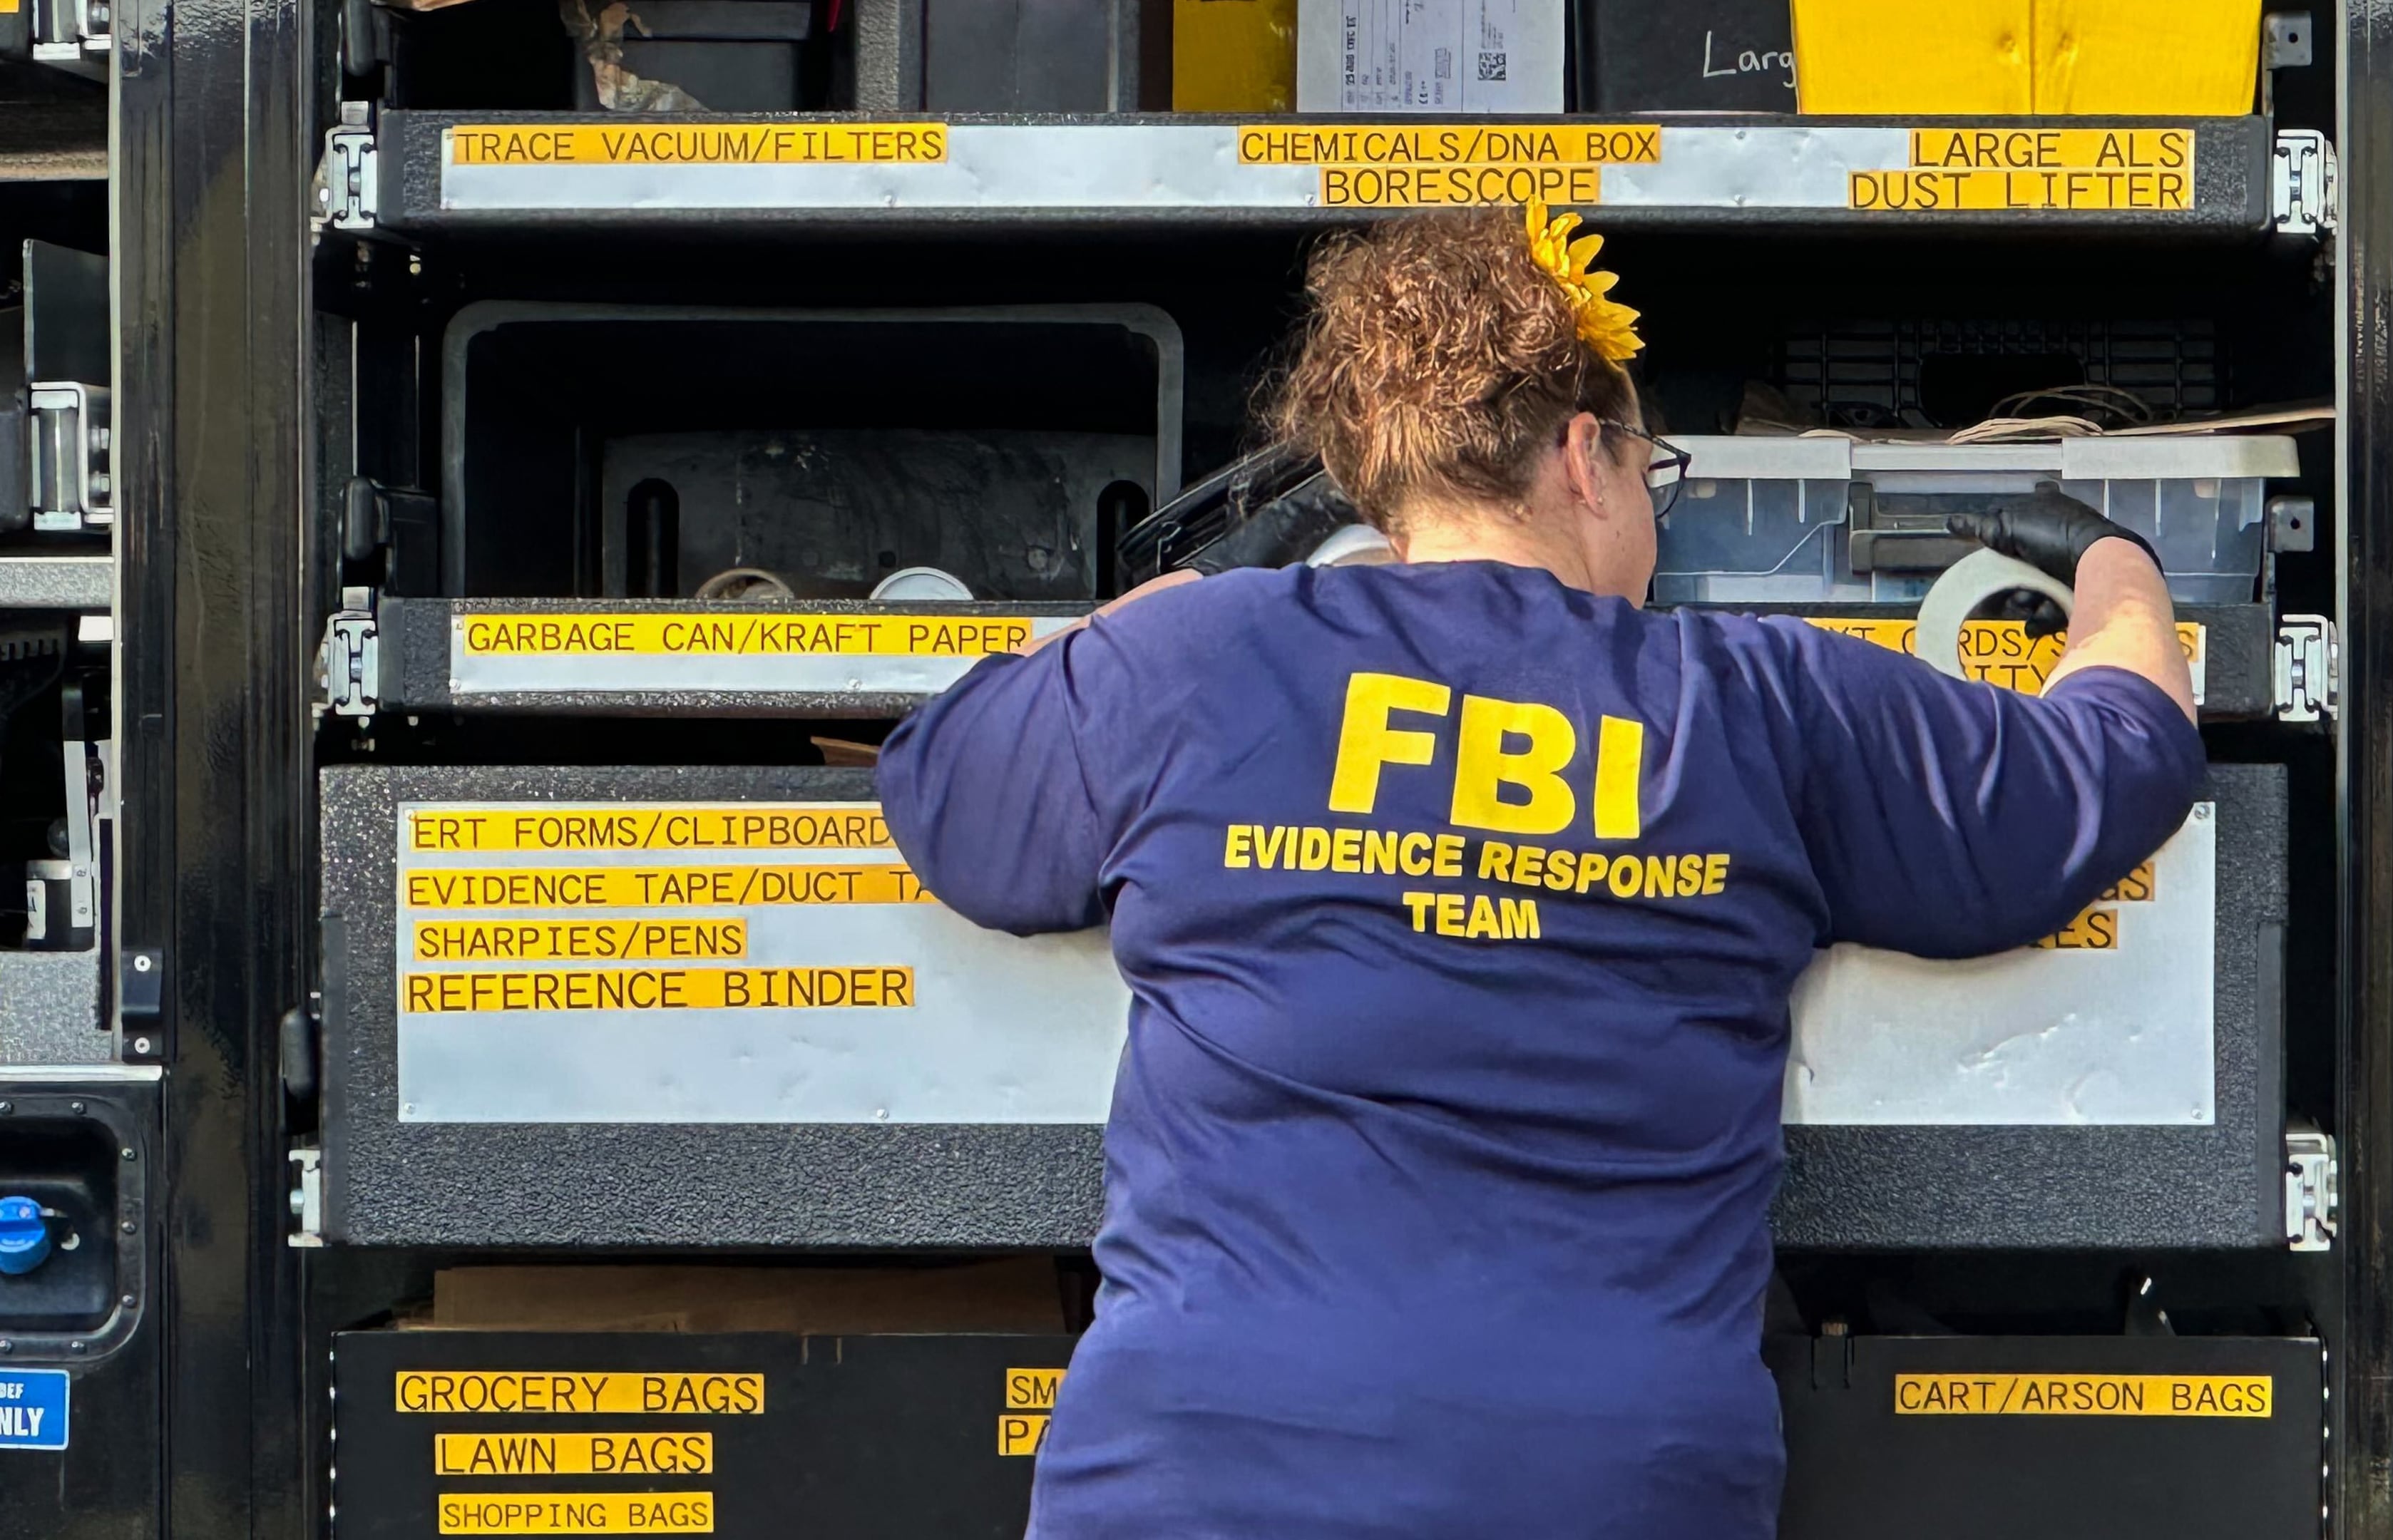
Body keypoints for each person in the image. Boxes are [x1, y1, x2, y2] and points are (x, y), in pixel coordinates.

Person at [876, 206, 2204, 1539]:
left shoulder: (1202, 661)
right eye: (1654, 471)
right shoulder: (1758, 704)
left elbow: (944, 784)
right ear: (1585, 456)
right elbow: (2103, 768)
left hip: (1195, 1479)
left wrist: (1194, 591)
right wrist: (2116, 570)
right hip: (1599, 1489)